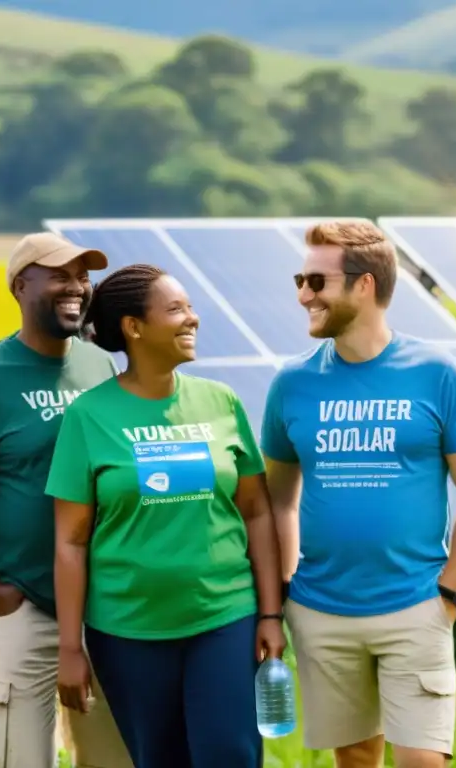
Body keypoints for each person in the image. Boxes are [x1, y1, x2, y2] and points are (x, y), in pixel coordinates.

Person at [261, 221, 456, 768]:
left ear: (363, 285)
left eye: (316, 282)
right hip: (321, 610)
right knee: (357, 759)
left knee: (421, 760)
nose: (303, 295)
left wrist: (449, 597)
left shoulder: (439, 373)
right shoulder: (291, 384)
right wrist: (287, 596)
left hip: (417, 605)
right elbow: (277, 500)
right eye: (300, 279)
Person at [47, 264, 287, 768]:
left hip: (224, 616)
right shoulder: (88, 417)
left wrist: (269, 612)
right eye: (177, 309)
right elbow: (70, 541)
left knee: (230, 754)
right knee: (159, 759)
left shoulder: (220, 401)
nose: (193, 319)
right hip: (127, 629)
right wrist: (71, 647)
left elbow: (257, 513)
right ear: (134, 328)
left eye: (191, 307)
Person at [0, 232, 133, 768]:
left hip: (105, 606)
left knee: (113, 757)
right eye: (60, 275)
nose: (77, 288)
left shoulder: (100, 367)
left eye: (83, 277)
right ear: (21, 286)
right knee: (15, 759)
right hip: (25, 607)